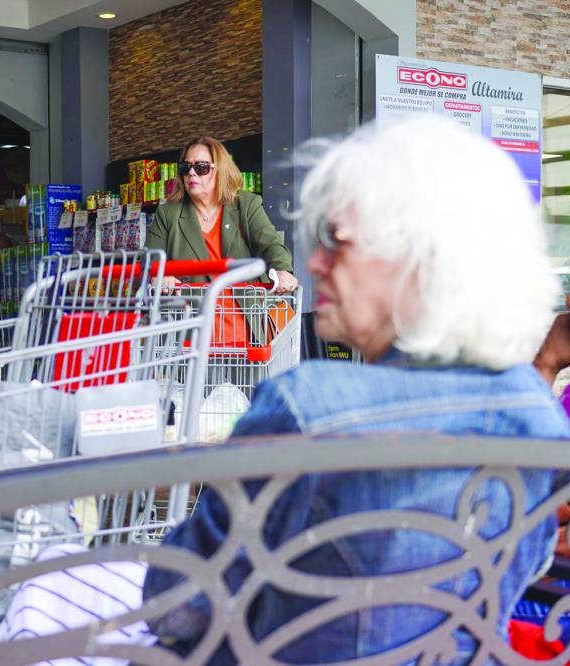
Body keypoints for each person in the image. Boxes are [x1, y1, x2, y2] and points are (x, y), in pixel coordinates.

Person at [141, 116, 570, 663]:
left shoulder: (306, 407)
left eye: (336, 241)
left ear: (415, 261)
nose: (316, 263)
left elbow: (175, 601)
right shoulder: (538, 418)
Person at [146, 136, 297, 293]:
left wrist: (281, 270)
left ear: (220, 171)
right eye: (185, 167)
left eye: (201, 167)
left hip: (248, 311)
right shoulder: (167, 214)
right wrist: (159, 276)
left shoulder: (245, 204)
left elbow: (270, 244)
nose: (191, 173)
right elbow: (149, 262)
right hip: (193, 313)